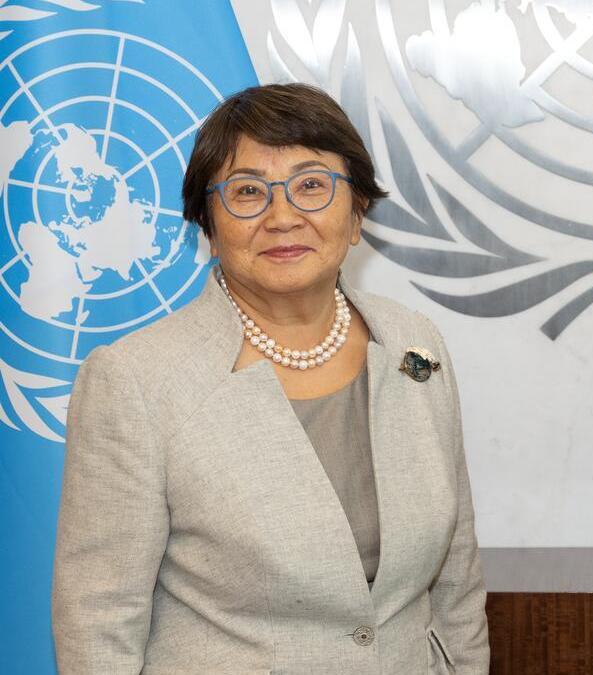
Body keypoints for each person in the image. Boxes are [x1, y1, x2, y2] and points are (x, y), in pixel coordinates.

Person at [52, 83, 489, 674]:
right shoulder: (135, 381)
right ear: (207, 225)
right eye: (248, 192)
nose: (283, 217)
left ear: (357, 211)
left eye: (312, 185)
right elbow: (98, 623)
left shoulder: (415, 347)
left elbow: (456, 580)